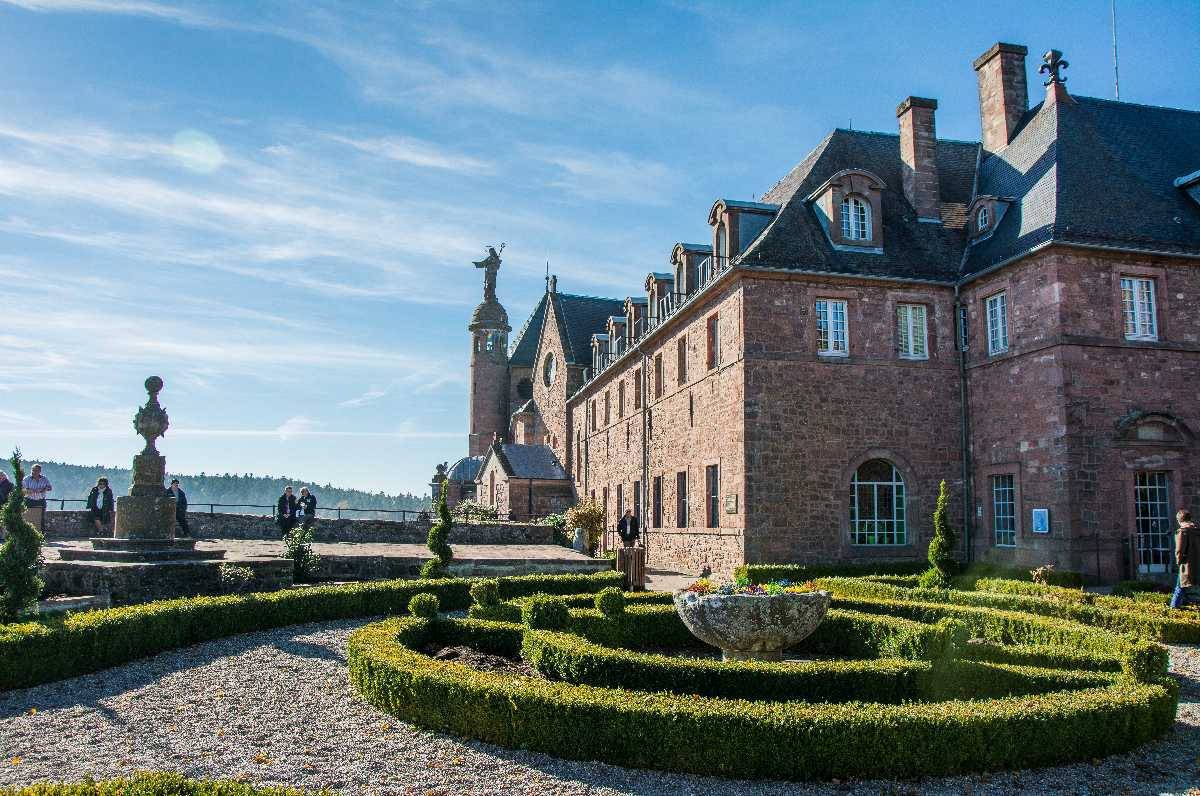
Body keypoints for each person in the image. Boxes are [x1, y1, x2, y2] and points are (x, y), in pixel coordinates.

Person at [1171, 509, 1199, 610]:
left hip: (1187, 565)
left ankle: (1173, 610)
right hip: (1198, 564)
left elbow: (1179, 551)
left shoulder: (1182, 532)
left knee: (1179, 587)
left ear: (1179, 521)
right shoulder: (1197, 531)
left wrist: (1178, 562)